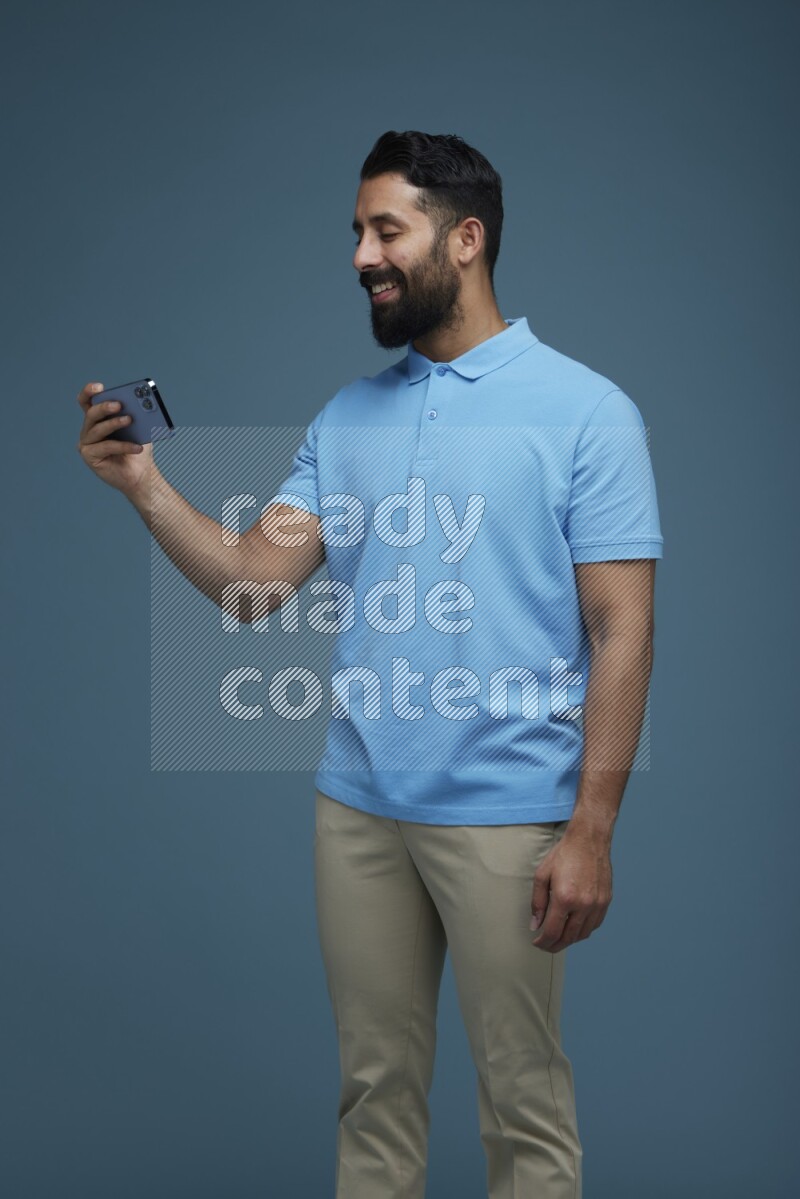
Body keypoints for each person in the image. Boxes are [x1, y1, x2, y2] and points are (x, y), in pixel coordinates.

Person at [76, 129, 663, 1199]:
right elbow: (255, 586)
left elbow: (621, 629)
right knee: (373, 1093)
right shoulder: (347, 415)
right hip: (357, 810)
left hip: (508, 817)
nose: (360, 255)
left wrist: (589, 830)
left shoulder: (586, 412)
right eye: (356, 232)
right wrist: (147, 488)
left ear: (465, 238)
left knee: (522, 1107)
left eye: (385, 228)